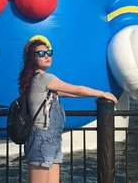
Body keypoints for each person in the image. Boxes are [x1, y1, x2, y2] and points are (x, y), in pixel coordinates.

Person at [18, 39, 118, 183]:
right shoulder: (44, 78)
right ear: (32, 58)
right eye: (41, 53)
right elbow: (75, 88)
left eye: (49, 52)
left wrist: (97, 94)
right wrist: (102, 93)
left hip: (52, 138)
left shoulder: (42, 82)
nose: (47, 56)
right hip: (42, 138)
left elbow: (73, 93)